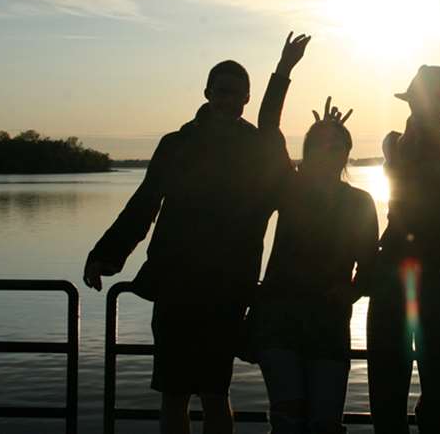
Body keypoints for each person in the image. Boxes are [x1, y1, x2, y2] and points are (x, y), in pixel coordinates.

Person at [82, 32, 311, 434]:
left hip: (227, 288)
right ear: (207, 93)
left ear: (246, 99)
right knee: (173, 394)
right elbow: (144, 205)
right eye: (220, 92)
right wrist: (106, 254)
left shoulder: (257, 151)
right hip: (175, 284)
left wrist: (282, 71)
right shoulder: (176, 145)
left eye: (236, 94)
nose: (227, 100)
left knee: (215, 392)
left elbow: (286, 180)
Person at [238, 97, 379, 434]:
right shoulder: (290, 188)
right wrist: (283, 73)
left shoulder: (359, 202)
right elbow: (269, 129)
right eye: (319, 145)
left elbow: (369, 264)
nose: (328, 153)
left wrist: (351, 291)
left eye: (337, 146)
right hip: (279, 320)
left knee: (325, 424)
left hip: (328, 323)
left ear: (346, 153)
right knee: (287, 419)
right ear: (308, 151)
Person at [366, 65, 440, 434]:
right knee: (386, 395)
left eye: (434, 102)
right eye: (421, 101)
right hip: (392, 276)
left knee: (437, 396)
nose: (428, 108)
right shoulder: (394, 143)